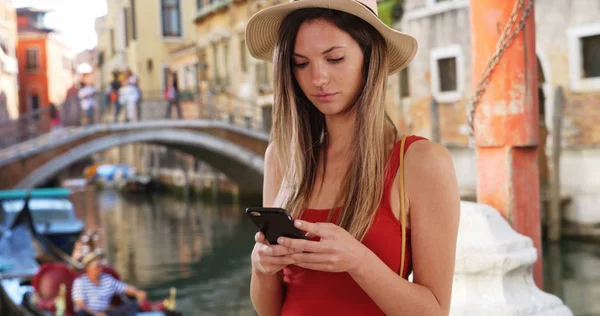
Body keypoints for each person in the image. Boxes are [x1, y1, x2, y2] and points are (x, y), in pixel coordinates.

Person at [245, 0, 461, 315]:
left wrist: (357, 261)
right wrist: (261, 267)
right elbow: (270, 310)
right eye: (300, 63)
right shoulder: (281, 157)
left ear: (370, 57)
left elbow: (435, 311)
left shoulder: (422, 162)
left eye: (335, 58)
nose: (317, 78)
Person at [71, 251, 146, 316]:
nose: (100, 268)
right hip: (89, 314)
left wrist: (137, 293)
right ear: (88, 268)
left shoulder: (107, 279)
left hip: (105, 313)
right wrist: (95, 314)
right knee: (81, 313)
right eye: (97, 266)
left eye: (100, 265)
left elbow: (124, 288)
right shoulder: (80, 282)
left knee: (131, 306)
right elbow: (80, 304)